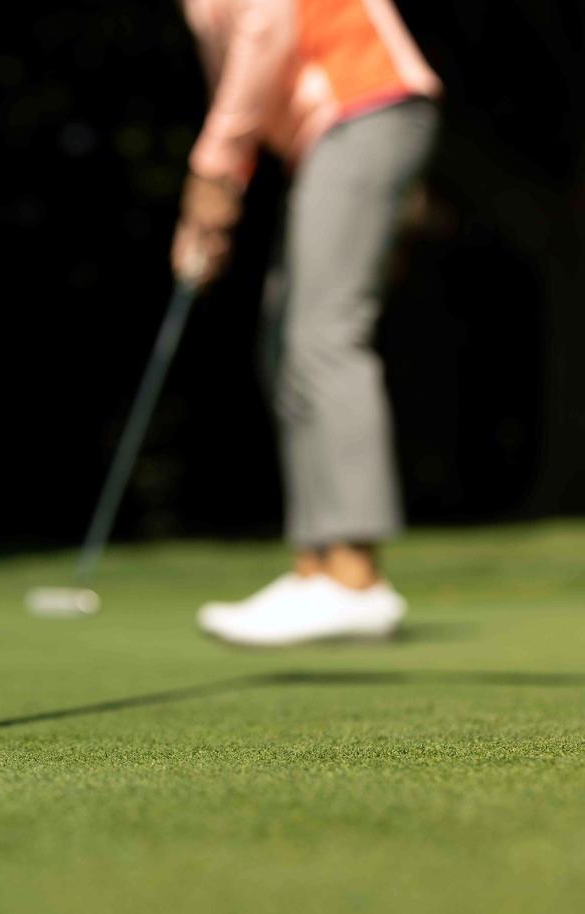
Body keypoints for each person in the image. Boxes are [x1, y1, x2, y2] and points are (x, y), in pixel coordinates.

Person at [174, 0, 442, 646]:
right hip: (344, 126)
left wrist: (215, 167)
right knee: (286, 342)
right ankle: (316, 569)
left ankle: (354, 579)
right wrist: (222, 182)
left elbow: (268, 24)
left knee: (323, 339)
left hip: (364, 105)